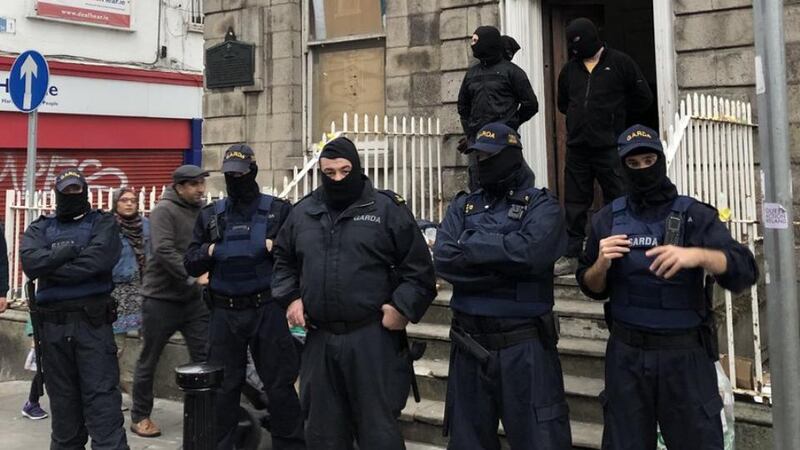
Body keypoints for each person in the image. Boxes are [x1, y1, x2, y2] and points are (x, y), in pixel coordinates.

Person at [576, 125, 758, 449]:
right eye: (633, 164)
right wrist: (601, 264)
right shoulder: (606, 220)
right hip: (626, 356)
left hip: (684, 356)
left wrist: (697, 255)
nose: (643, 169)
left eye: (649, 160)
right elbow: (591, 286)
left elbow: (744, 269)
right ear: (622, 167)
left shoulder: (694, 216)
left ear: (660, 160)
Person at [272, 136, 437, 450]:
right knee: (322, 434)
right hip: (319, 342)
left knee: (378, 434)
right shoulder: (303, 212)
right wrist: (291, 297)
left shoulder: (387, 209)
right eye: (329, 172)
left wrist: (402, 308)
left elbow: (419, 271)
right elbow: (282, 260)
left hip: (371, 340)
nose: (337, 179)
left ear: (358, 168)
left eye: (345, 171)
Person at [433, 123, 572, 449]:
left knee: (541, 440)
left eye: (487, 156)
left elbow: (533, 255)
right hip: (469, 346)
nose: (480, 164)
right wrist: (505, 261)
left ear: (509, 156)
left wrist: (471, 245)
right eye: (476, 157)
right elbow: (444, 258)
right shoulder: (463, 205)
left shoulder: (542, 205)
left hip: (524, 347)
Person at [184, 144, 304, 450]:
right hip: (225, 312)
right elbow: (191, 261)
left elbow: (298, 257)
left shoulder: (278, 211)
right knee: (223, 389)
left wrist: (273, 248)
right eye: (229, 175)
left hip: (267, 309)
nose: (234, 179)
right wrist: (212, 250)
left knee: (279, 387)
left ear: (252, 172)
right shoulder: (212, 216)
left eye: (239, 174)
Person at [20, 168, 127, 449]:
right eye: (66, 190)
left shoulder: (102, 223)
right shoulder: (39, 227)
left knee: (103, 409)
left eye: (76, 190)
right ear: (57, 193)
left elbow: (98, 262)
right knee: (65, 416)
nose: (71, 195)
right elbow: (31, 264)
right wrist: (69, 253)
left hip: (92, 326)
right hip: (53, 330)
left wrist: (52, 264)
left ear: (85, 191)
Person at [554, 17, 654, 275]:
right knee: (575, 202)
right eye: (571, 45)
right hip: (577, 147)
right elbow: (563, 103)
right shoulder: (570, 70)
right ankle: (572, 253)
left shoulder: (620, 63)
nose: (576, 49)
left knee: (619, 197)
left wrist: (616, 120)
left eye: (579, 42)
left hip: (611, 146)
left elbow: (643, 98)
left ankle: (620, 250)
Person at [130, 165, 210, 438]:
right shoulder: (164, 210)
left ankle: (203, 415)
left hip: (193, 302)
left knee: (205, 358)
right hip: (161, 299)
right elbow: (163, 250)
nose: (200, 189)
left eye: (202, 183)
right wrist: (192, 277)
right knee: (149, 359)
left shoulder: (200, 211)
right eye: (194, 184)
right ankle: (140, 416)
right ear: (179, 187)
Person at [458, 25, 538, 190]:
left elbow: (531, 104)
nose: (472, 44)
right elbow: (463, 107)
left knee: (516, 181)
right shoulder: (471, 74)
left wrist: (509, 125)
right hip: (479, 143)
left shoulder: (512, 72)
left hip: (504, 143)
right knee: (478, 185)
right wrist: (471, 134)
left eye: (475, 40)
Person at [110, 187, 150, 395]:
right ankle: (113, 387)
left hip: (145, 289)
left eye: (133, 200)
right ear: (116, 203)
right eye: (124, 200)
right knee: (116, 345)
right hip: (118, 292)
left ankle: (140, 386)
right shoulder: (109, 226)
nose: (129, 204)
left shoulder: (146, 226)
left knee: (149, 342)